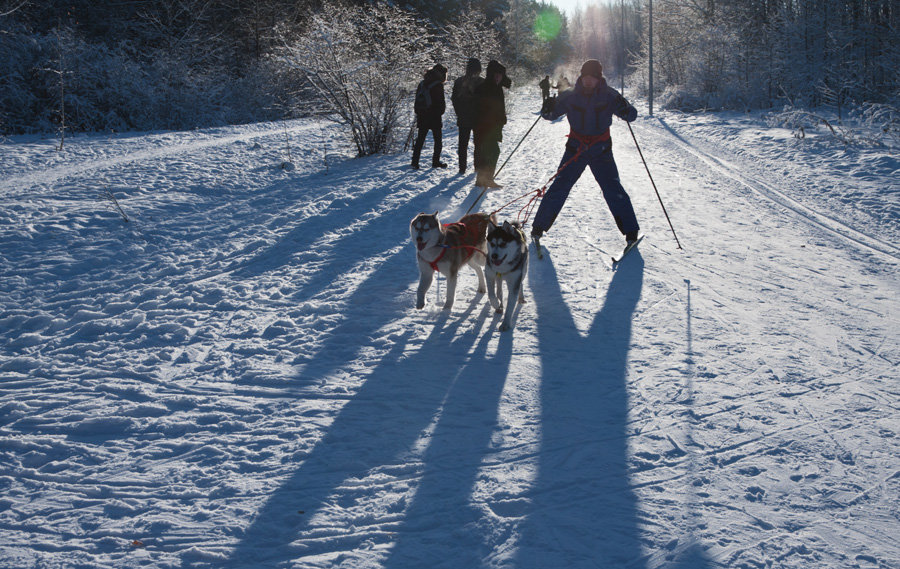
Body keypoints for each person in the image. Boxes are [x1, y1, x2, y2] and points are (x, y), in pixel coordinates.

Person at [531, 59, 640, 245]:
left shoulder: (609, 95)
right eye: (585, 77)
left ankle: (631, 233)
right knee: (560, 186)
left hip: (601, 150)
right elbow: (549, 115)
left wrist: (625, 107)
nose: (588, 81)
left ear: (599, 78)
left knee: (613, 189)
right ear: (581, 77)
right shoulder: (570, 95)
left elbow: (631, 116)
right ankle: (538, 228)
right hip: (576, 148)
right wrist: (547, 107)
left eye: (592, 77)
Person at [473, 60, 511, 188]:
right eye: (496, 75)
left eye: (500, 75)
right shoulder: (487, 88)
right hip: (486, 127)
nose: (498, 77)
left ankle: (483, 180)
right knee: (492, 152)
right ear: (491, 75)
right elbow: (483, 109)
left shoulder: (495, 87)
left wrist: (501, 118)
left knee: (489, 153)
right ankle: (485, 179)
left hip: (491, 127)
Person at [411, 64, 448, 169]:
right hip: (434, 117)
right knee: (438, 140)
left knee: (420, 140)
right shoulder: (438, 85)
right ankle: (435, 162)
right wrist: (440, 112)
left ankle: (415, 162)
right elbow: (441, 104)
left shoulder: (422, 83)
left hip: (422, 115)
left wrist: (419, 112)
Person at [451, 58, 484, 174]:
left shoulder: (459, 81)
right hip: (478, 119)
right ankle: (477, 166)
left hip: (464, 117)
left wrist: (459, 113)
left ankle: (462, 167)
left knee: (462, 144)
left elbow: (454, 99)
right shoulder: (482, 82)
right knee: (478, 144)